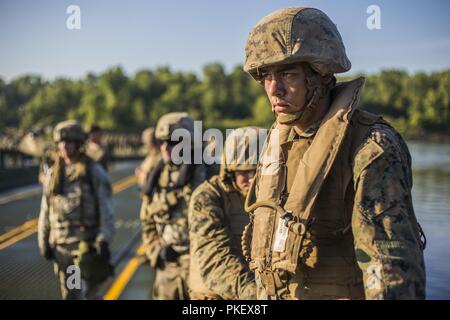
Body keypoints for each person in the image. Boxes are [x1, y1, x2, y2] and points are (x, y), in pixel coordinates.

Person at [243, 7, 426, 300]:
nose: (274, 89)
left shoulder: (370, 147)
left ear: (321, 75)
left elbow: (391, 271)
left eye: (288, 74)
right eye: (266, 76)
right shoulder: (278, 140)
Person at [37, 120, 115, 299]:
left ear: (78, 143)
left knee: (89, 293)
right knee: (71, 294)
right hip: (62, 247)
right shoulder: (54, 173)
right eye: (61, 142)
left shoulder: (92, 171)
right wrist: (43, 240)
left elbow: (106, 208)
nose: (64, 146)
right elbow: (46, 208)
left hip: (84, 247)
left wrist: (103, 239)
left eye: (69, 141)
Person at [188, 127, 261, 300]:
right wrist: (256, 296)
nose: (251, 178)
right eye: (243, 171)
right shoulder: (208, 196)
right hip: (215, 295)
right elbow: (216, 258)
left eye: (257, 169)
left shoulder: (275, 195)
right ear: (230, 170)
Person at [140, 112, 206, 299]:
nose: (165, 147)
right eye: (161, 141)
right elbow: (147, 220)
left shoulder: (210, 174)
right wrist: (155, 250)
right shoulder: (157, 177)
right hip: (167, 271)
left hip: (201, 268)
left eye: (172, 142)